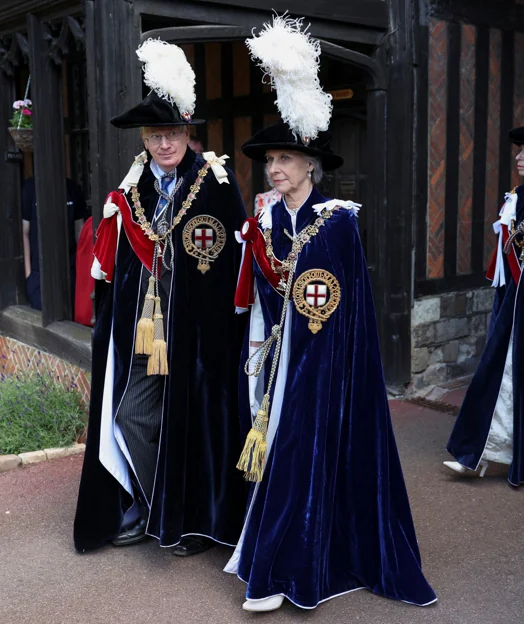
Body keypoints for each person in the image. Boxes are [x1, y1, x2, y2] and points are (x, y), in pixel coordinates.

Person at [225, 16, 437, 612]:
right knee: (284, 460)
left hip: (324, 361)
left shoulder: (338, 221)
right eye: (271, 160)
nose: (275, 169)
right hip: (277, 361)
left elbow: (338, 301)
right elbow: (269, 293)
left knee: (298, 456)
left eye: (287, 159)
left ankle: (281, 575)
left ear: (311, 166)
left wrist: (316, 362)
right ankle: (286, 562)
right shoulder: (267, 222)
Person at [74, 39, 247, 557]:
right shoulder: (131, 192)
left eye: (171, 133)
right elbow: (120, 267)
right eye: (154, 135)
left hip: (200, 334)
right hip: (148, 333)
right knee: (132, 417)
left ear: (187, 132)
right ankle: (154, 504)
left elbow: (232, 261)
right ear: (145, 139)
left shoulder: (214, 181)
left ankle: (191, 520)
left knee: (196, 421)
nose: (164, 143)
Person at [444, 126, 524, 485]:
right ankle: (477, 452)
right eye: (519, 151)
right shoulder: (518, 196)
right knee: (499, 372)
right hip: (516, 301)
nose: (519, 157)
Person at [22, 176, 88, 311]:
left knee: (71, 317)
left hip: (70, 270)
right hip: (38, 272)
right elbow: (24, 233)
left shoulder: (72, 188)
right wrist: (29, 275)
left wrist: (82, 273)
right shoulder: (29, 188)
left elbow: (80, 234)